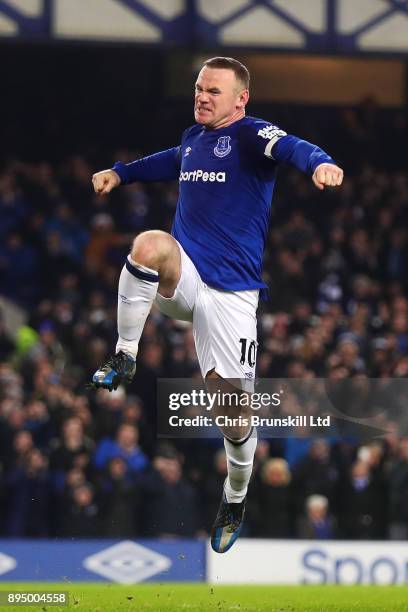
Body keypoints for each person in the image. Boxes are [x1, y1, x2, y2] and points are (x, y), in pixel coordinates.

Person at [90, 56, 343, 553]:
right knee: (148, 245)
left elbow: (291, 146)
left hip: (231, 296)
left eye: (214, 91)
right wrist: (120, 175)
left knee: (233, 413)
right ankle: (125, 354)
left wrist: (321, 163)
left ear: (240, 99)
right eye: (199, 89)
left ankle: (236, 493)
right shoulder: (193, 139)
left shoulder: (252, 134)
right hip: (185, 277)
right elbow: (168, 160)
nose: (202, 97)